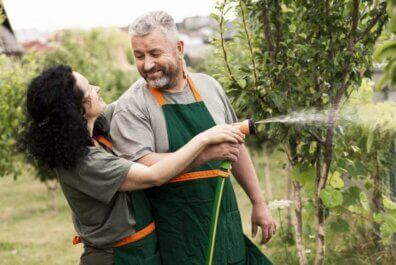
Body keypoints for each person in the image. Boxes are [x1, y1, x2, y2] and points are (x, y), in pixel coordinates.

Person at [21, 65, 245, 265]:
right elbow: (154, 175)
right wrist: (204, 142)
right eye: (90, 88)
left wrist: (155, 70)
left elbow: (130, 101)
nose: (97, 88)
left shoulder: (96, 130)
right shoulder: (85, 163)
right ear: (77, 108)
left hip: (142, 249)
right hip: (115, 257)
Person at [110, 11, 275, 264]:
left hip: (224, 226)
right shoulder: (132, 106)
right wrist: (205, 152)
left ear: (179, 48)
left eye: (155, 53)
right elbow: (141, 167)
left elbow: (235, 147)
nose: (147, 65)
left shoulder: (210, 87)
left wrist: (258, 202)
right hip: (176, 238)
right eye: (139, 56)